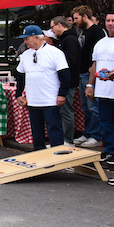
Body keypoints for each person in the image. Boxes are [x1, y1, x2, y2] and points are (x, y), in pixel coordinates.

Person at [15, 25, 71, 151]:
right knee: (36, 129)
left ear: (36, 37)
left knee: (54, 128)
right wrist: (18, 94)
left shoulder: (55, 53)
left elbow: (65, 75)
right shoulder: (26, 55)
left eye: (27, 39)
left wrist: (62, 94)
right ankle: (39, 154)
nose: (25, 42)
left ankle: (58, 154)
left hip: (50, 98)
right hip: (33, 99)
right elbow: (20, 75)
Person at [86, 11, 114, 166]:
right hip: (102, 90)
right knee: (105, 122)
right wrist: (89, 84)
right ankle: (110, 150)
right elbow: (94, 65)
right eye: (108, 20)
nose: (110, 23)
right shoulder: (100, 42)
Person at [72, 5, 105, 148]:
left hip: (89, 73)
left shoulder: (96, 31)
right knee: (85, 107)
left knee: (93, 106)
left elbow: (98, 55)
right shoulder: (83, 31)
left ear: (85, 16)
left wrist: (93, 71)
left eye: (76, 18)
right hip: (81, 72)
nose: (74, 21)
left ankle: (97, 136)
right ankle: (88, 132)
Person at [49, 17, 81, 145]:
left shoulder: (70, 40)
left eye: (53, 27)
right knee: (62, 110)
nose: (52, 30)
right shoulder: (64, 40)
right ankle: (62, 139)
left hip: (68, 81)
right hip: (62, 80)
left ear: (60, 25)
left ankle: (67, 140)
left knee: (65, 110)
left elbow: (70, 61)